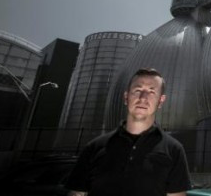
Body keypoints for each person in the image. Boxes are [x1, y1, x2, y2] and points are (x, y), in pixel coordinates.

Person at [66, 68, 192, 196]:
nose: (143, 98)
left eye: (151, 92)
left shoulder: (174, 150)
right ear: (126, 97)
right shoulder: (94, 147)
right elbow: (77, 193)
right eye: (138, 90)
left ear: (160, 101)